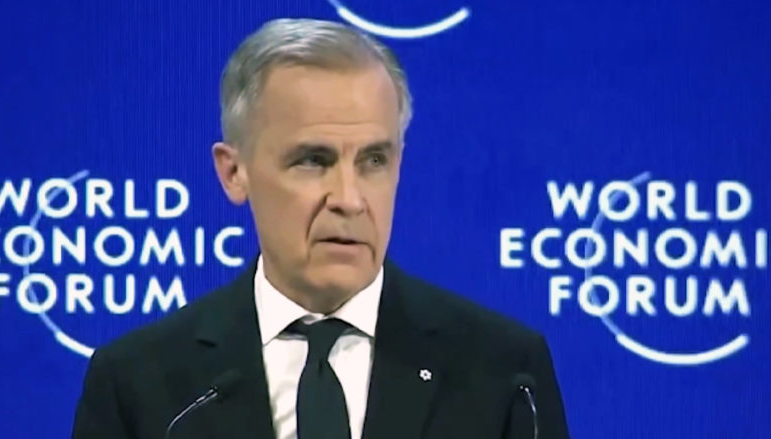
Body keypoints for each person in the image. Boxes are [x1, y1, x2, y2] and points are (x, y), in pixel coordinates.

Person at [72, 18, 570, 439]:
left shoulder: (504, 373)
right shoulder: (139, 385)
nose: (350, 199)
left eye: (374, 160)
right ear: (234, 172)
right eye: (313, 160)